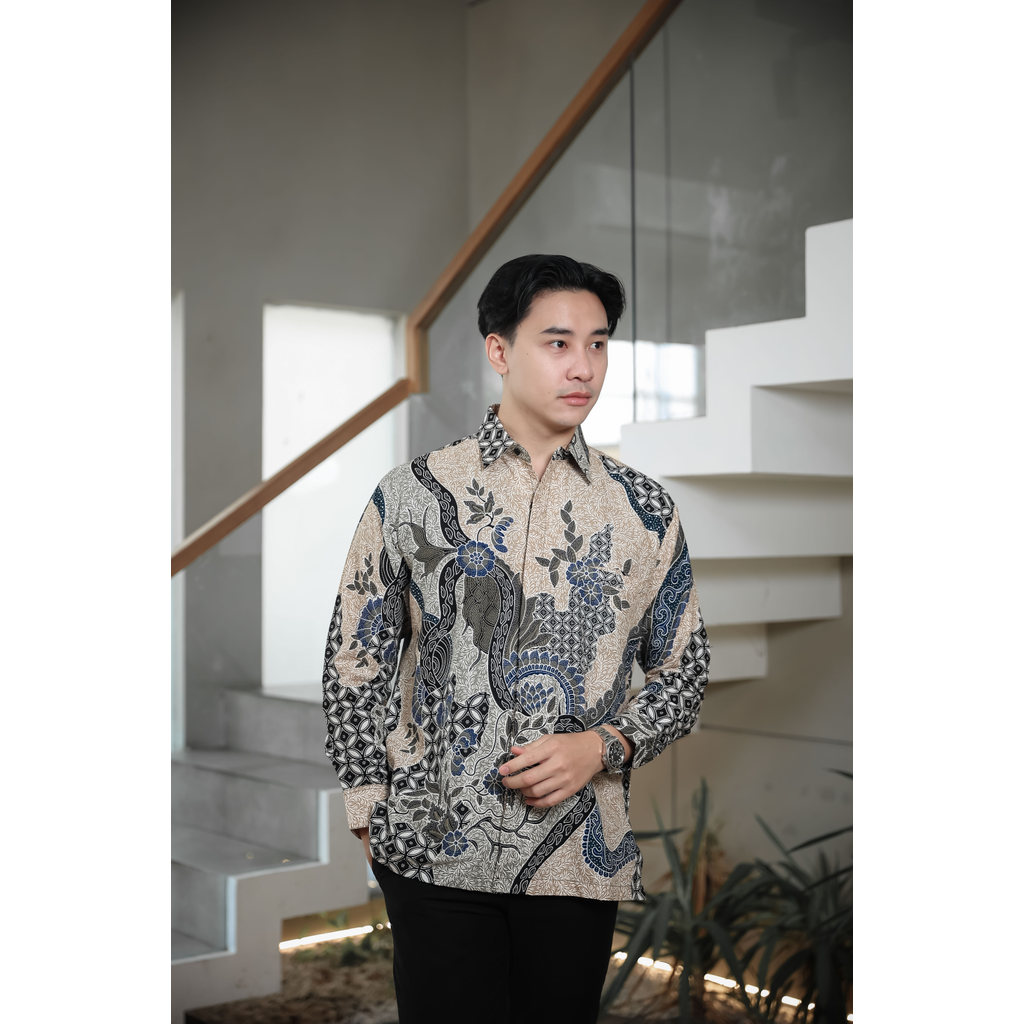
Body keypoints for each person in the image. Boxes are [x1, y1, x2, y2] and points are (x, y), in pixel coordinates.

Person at [322, 254, 710, 1024]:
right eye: (558, 342)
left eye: (598, 344)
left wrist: (602, 745)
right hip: (431, 847)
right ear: (499, 350)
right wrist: (368, 803)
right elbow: (357, 657)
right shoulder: (412, 494)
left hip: (576, 860)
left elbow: (685, 674)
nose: (584, 367)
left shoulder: (645, 511)